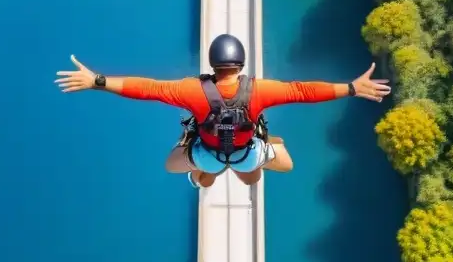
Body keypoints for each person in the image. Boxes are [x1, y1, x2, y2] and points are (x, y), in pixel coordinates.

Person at [54, 33, 392, 188]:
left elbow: (147, 89)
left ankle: (202, 176)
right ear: (241, 64)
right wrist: (351, 87)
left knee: (175, 166)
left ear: (213, 65)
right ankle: (269, 145)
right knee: (264, 174)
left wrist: (96, 80)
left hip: (207, 156)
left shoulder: (191, 90)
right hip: (247, 155)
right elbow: (303, 91)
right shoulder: (258, 90)